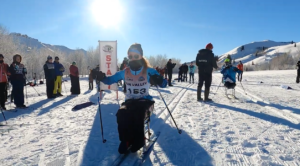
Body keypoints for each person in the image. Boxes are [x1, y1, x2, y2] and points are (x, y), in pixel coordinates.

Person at [96, 43, 167, 154]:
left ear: (141, 56)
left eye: (136, 56)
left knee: (137, 113)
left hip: (145, 101)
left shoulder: (149, 71)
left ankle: (139, 140)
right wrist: (102, 77)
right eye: (130, 56)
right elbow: (110, 80)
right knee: (121, 114)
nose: (133, 58)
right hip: (130, 101)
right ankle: (126, 140)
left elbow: (164, 84)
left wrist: (159, 79)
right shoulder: (125, 72)